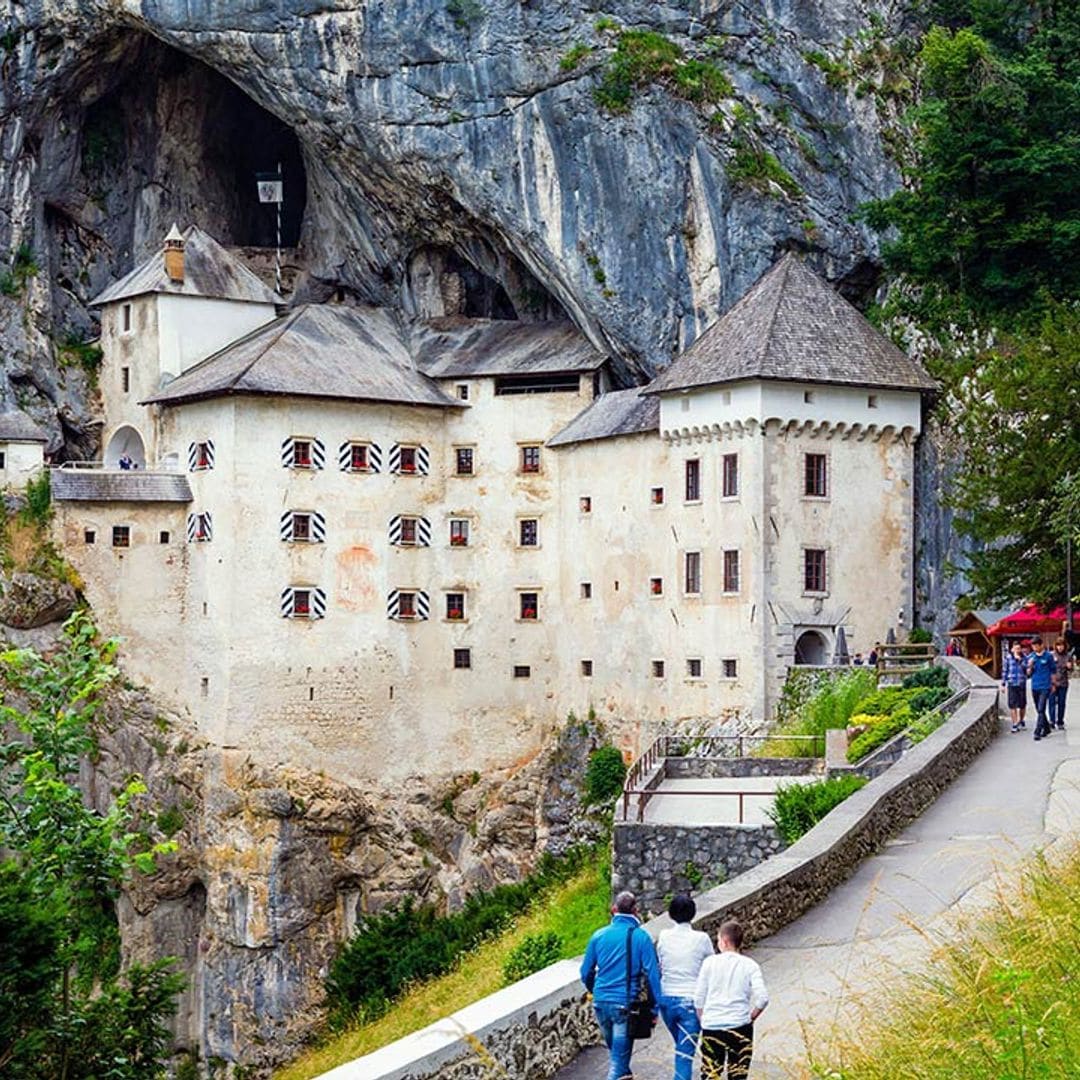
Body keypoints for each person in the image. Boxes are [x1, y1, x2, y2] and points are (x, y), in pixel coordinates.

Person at [580, 891, 662, 1080]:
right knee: (618, 1064)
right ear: (635, 910)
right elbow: (653, 974)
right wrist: (655, 1008)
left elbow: (585, 972)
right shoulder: (641, 937)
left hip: (600, 1003)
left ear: (614, 909)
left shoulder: (598, 936)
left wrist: (595, 990)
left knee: (618, 1057)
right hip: (624, 1005)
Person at [694, 920, 768, 1080]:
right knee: (738, 1074)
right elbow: (762, 998)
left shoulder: (709, 963)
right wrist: (751, 1017)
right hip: (740, 1025)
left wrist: (703, 1018)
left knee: (710, 1074)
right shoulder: (750, 965)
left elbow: (698, 998)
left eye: (719, 940)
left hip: (712, 1026)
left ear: (725, 941)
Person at [657, 895, 713, 1080]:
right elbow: (711, 967)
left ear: (671, 914)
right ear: (693, 913)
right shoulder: (702, 939)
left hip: (666, 999)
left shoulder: (663, 937)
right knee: (684, 1054)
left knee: (682, 1046)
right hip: (691, 999)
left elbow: (661, 963)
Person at [1027, 637, 1056, 741]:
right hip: (1035, 685)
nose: (1034, 648)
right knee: (1038, 709)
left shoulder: (1048, 656)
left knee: (1041, 708)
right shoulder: (1031, 657)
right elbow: (1028, 674)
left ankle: (1037, 731)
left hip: (1045, 685)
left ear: (1041, 645)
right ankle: (1047, 728)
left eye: (1036, 645)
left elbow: (1053, 670)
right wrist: (1030, 666)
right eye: (1033, 646)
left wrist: (1053, 684)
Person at [1001, 641, 1028, 733]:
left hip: (1021, 683)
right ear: (1012, 649)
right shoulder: (1008, 658)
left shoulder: (1024, 657)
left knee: (1022, 704)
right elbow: (1005, 671)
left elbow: (1026, 669)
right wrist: (1003, 684)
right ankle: (1014, 723)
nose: (1017, 650)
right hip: (1012, 683)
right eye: (1016, 649)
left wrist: (1020, 660)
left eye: (1019, 649)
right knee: (1012, 705)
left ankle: (1021, 720)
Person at [1049, 637, 1072, 731]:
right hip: (1052, 682)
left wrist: (1069, 667)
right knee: (1052, 702)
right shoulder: (1051, 655)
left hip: (1063, 682)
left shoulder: (1068, 656)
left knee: (1062, 703)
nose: (1060, 647)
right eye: (1058, 645)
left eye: (1061, 645)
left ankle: (1060, 721)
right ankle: (1052, 721)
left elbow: (1071, 669)